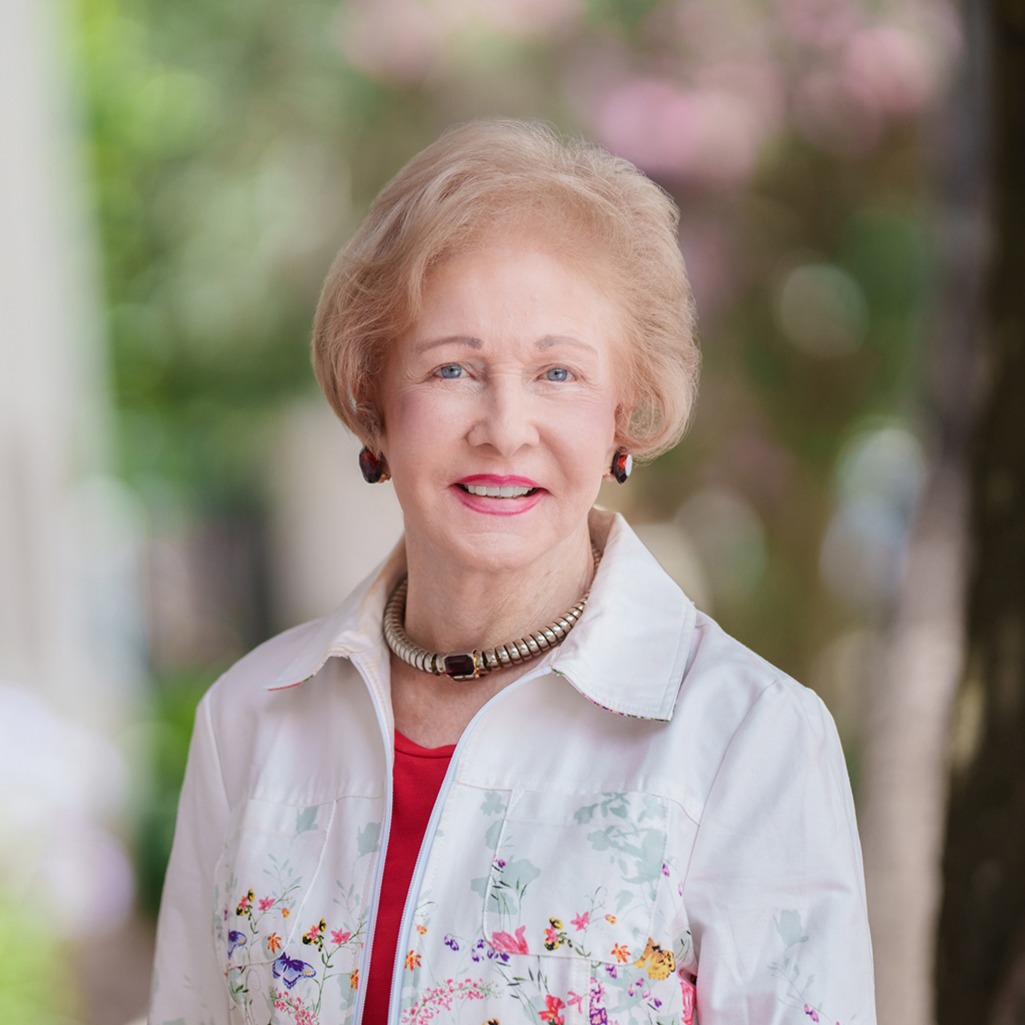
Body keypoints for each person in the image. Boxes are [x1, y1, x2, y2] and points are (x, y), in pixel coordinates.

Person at [149, 119, 875, 1025]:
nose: (503, 425)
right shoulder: (249, 718)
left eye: (558, 372)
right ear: (375, 400)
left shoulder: (747, 738)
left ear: (624, 413)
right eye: (453, 367)